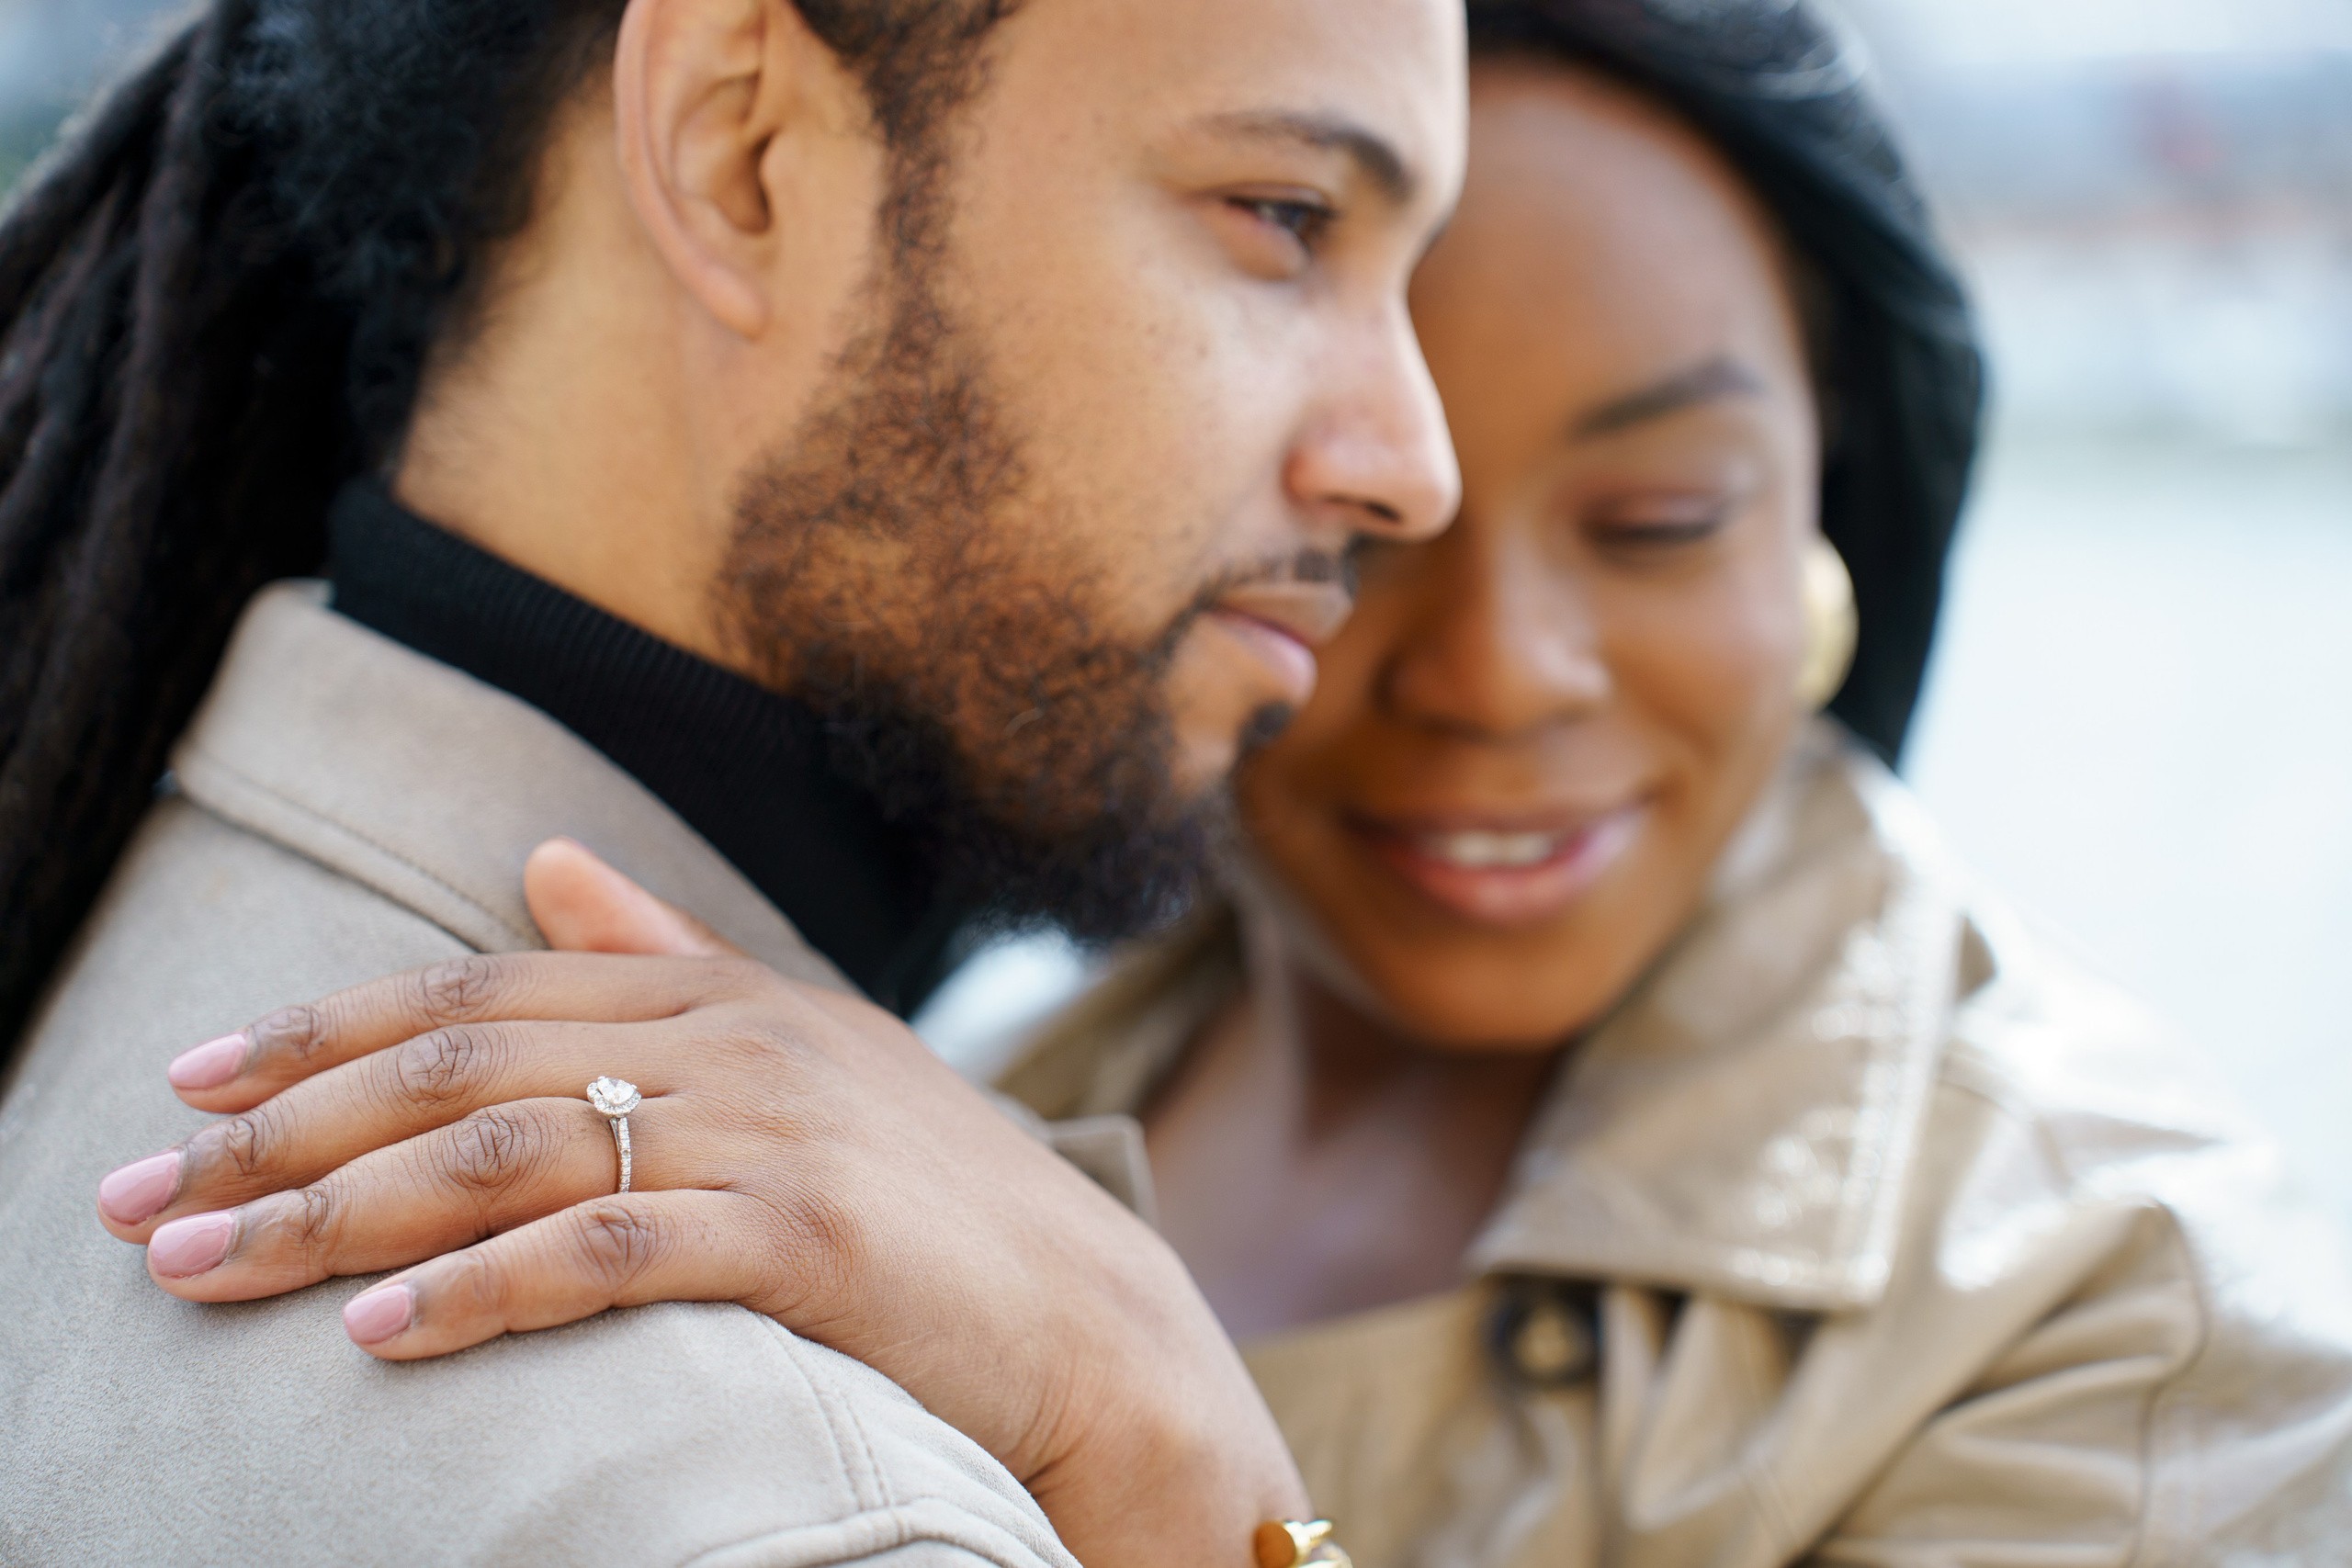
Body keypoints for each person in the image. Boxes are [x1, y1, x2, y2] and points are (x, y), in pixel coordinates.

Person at [95, 0, 2352, 1562]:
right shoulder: (938, 1082)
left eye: (1659, 519)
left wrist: (1181, 1452)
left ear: (1827, 535)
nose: (1493, 665)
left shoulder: (2122, 1309)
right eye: (1279, 231)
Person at [0, 0, 1469, 1563]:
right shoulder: (806, 1507)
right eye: (1283, 215)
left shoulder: (96, 873)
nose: (1417, 465)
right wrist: (1208, 1478)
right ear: (740, 152)